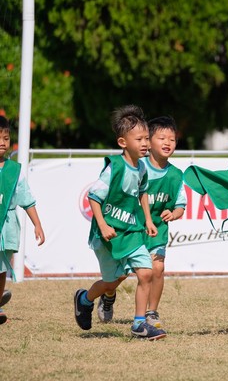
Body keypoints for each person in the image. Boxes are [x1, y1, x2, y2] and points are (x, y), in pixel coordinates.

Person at [73, 105, 164, 340]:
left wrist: (147, 219)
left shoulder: (142, 167)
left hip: (132, 231)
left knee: (146, 273)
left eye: (146, 138)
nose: (145, 143)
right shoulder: (113, 168)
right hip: (108, 235)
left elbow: (142, 192)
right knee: (111, 283)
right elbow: (93, 197)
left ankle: (139, 324)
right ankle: (84, 299)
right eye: (139, 139)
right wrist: (102, 225)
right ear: (123, 142)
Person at [96, 116, 186, 329]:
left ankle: (151, 312)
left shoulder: (176, 175)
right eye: (161, 138)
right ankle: (108, 296)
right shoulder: (137, 167)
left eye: (172, 139)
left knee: (157, 268)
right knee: (120, 275)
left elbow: (181, 206)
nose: (167, 143)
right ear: (148, 142)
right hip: (132, 229)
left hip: (157, 231)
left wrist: (173, 213)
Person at [0, 116, 45, 325]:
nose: (3, 142)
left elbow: (27, 199)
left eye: (6, 138)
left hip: (6, 227)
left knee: (2, 268)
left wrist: (37, 224)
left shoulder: (13, 171)